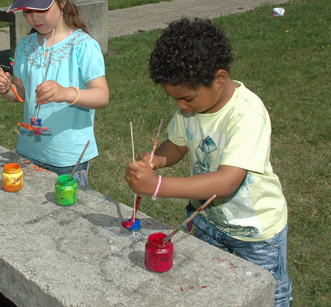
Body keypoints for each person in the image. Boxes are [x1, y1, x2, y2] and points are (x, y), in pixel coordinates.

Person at [125, 17, 291, 306]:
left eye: (186, 98)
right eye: (174, 99)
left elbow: (227, 181)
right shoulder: (190, 109)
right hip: (205, 220)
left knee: (265, 297)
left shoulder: (246, 114)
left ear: (220, 79)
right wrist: (157, 159)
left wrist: (158, 185)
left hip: (254, 234)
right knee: (208, 289)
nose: (180, 106)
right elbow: (177, 144)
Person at [0, 0, 109, 187]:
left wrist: (67, 93)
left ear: (62, 2)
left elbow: (102, 96)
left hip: (68, 158)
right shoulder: (25, 47)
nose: (34, 18)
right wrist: (7, 89)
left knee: (67, 217)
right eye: (27, 11)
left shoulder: (82, 46)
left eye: (42, 8)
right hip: (28, 151)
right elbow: (21, 94)